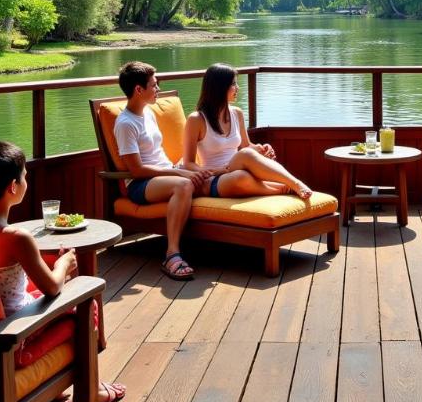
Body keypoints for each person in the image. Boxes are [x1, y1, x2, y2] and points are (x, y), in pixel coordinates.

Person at [0, 141, 126, 402]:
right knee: (85, 305)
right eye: (25, 175)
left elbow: (1, 272)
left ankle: (55, 384)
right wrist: (64, 264)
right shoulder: (15, 237)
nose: (27, 179)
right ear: (12, 187)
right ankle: (91, 388)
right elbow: (52, 287)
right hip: (14, 332)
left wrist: (47, 262)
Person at [114, 61, 212, 281]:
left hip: (165, 174)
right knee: (185, 183)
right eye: (154, 85)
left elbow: (157, 153)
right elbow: (136, 170)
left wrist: (179, 168)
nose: (158, 89)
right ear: (139, 90)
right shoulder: (125, 123)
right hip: (141, 184)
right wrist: (178, 174)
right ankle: (172, 255)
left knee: (208, 178)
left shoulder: (147, 113)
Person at [182, 63, 313, 200]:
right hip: (215, 177)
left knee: (245, 158)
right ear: (219, 87)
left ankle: (295, 184)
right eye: (233, 84)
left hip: (236, 166)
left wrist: (262, 149)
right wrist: (212, 172)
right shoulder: (196, 119)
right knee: (240, 177)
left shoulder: (236, 113)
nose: (237, 88)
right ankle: (282, 189)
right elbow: (188, 163)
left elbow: (246, 147)